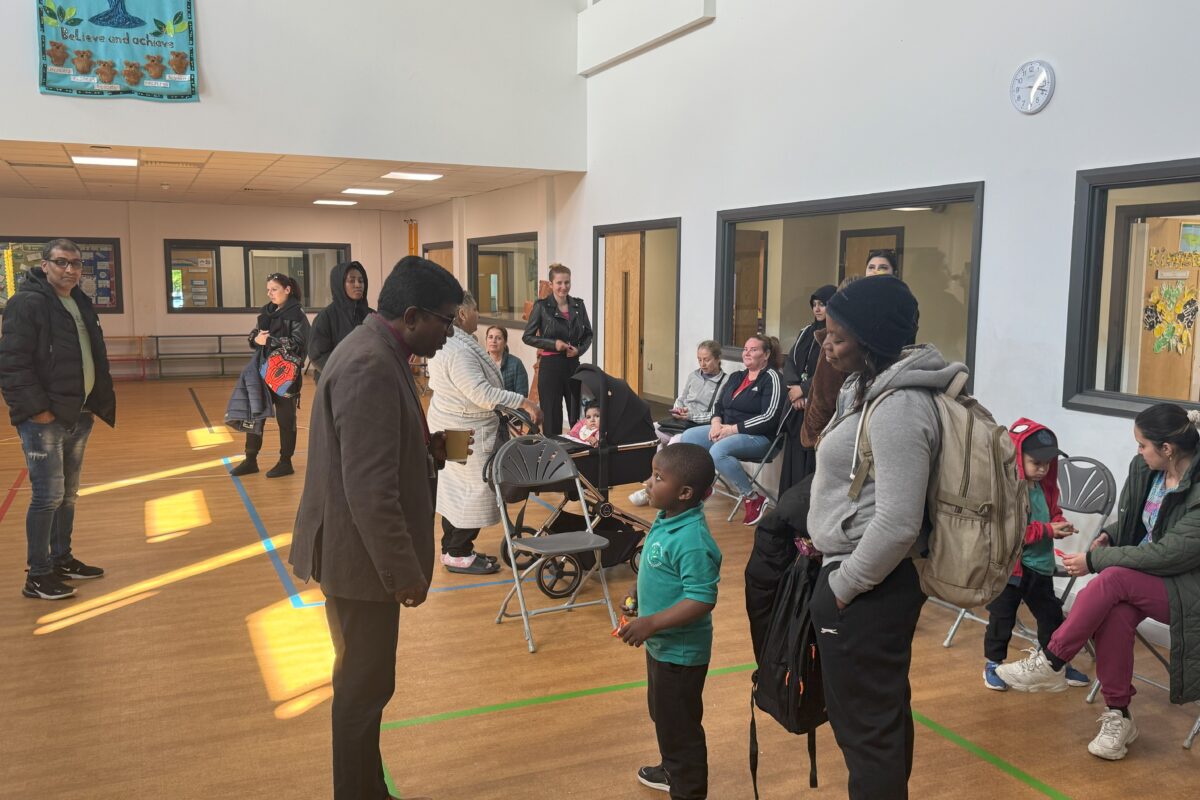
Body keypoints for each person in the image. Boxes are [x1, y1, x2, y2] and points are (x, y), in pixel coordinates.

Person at [289, 255, 463, 800]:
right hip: (361, 561)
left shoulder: (380, 350)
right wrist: (402, 574)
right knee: (363, 691)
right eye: (445, 320)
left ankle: (368, 787)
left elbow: (370, 451)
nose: (450, 331)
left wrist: (429, 448)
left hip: (356, 554)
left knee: (365, 687)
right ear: (412, 316)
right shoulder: (369, 364)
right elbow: (368, 489)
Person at [806, 276, 952, 799]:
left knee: (867, 732)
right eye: (827, 331)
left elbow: (896, 522)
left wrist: (843, 588)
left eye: (839, 336)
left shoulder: (899, 407)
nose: (827, 343)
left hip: (869, 588)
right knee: (877, 721)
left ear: (871, 340)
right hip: (857, 578)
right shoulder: (865, 389)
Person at [996, 403, 1200, 761]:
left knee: (1112, 581)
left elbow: (1171, 553)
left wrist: (1094, 559)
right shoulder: (1147, 469)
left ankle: (1051, 661)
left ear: (1166, 449)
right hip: (1146, 578)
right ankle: (1119, 715)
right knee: (1117, 612)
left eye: (1142, 445)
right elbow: (1139, 524)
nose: (1137, 451)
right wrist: (1109, 535)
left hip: (1187, 587)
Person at [0, 238, 115, 600]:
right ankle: (38, 575)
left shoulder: (78, 301)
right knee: (47, 496)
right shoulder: (27, 303)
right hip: (45, 418)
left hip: (78, 413)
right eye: (62, 262)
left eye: (76, 264)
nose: (70, 269)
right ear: (45, 265)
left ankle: (61, 558)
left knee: (67, 495)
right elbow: (13, 363)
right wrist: (37, 409)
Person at [617, 443, 721, 800]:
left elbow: (702, 599)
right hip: (662, 648)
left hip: (681, 653)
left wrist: (651, 623)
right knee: (664, 715)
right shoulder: (667, 518)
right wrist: (638, 595)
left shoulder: (692, 539)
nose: (648, 483)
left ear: (685, 492)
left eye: (658, 477)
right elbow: (657, 568)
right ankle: (670, 769)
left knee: (681, 726)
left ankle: (688, 789)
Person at [427, 292, 542, 575]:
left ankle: (452, 549)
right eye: (476, 310)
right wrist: (524, 402)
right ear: (463, 314)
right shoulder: (458, 350)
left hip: (453, 425)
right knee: (473, 490)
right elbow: (482, 393)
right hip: (464, 431)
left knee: (457, 489)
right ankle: (458, 551)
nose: (479, 315)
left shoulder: (451, 342)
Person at [982, 420, 1090, 691]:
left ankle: (1054, 664)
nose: (1042, 469)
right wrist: (1046, 530)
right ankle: (993, 664)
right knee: (1001, 617)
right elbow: (1011, 531)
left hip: (1040, 568)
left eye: (1047, 464)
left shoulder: (1045, 487)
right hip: (1011, 569)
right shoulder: (1008, 492)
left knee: (1051, 617)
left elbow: (1052, 513)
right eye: (1035, 463)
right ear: (1018, 457)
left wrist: (1059, 523)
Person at [678, 334, 783, 527]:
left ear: (766, 354)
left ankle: (752, 498)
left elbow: (769, 417)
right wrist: (716, 423)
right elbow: (719, 404)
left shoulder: (772, 379)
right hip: (727, 429)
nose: (747, 353)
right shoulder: (737, 376)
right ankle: (703, 485)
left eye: (754, 349)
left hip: (760, 437)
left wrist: (732, 430)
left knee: (718, 451)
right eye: (745, 349)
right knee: (687, 438)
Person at [230, 273, 311, 478]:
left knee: (286, 421)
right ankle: (250, 460)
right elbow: (255, 336)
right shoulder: (267, 312)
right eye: (268, 290)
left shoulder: (298, 315)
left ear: (287, 290)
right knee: (255, 415)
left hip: (285, 377)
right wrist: (255, 340)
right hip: (262, 373)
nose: (270, 293)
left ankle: (285, 462)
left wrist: (271, 341)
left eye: (274, 289)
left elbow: (301, 345)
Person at [629, 341, 727, 507]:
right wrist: (678, 408)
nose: (702, 364)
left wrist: (692, 415)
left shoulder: (725, 382)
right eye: (699, 360)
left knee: (674, 445)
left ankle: (659, 489)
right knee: (650, 432)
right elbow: (682, 398)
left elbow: (717, 414)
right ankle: (653, 481)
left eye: (707, 360)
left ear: (718, 359)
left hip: (698, 426)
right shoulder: (694, 375)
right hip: (681, 420)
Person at [522, 263, 593, 435]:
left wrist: (579, 350)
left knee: (576, 413)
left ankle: (577, 451)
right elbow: (528, 337)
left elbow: (588, 334)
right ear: (551, 284)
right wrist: (554, 344)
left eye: (567, 282)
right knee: (552, 415)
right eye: (559, 283)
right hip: (550, 366)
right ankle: (553, 454)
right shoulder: (541, 306)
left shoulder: (578, 306)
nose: (563, 287)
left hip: (573, 365)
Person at [779, 285, 837, 491]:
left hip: (819, 405)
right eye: (815, 305)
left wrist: (804, 389)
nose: (818, 309)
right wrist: (794, 390)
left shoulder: (836, 334)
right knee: (794, 457)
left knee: (812, 459)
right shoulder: (805, 333)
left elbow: (831, 368)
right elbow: (791, 363)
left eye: (823, 304)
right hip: (797, 407)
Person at [309, 260, 372, 379]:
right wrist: (346, 372)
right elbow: (318, 356)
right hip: (336, 383)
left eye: (361, 280)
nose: (358, 285)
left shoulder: (372, 316)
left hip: (367, 381)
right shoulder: (326, 317)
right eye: (351, 280)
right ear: (340, 284)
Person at [484, 324, 528, 395]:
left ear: (505, 342)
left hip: (509, 405)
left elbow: (522, 394)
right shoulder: (480, 362)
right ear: (486, 340)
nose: (493, 341)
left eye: (498, 338)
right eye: (490, 337)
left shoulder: (516, 364)